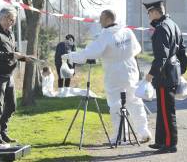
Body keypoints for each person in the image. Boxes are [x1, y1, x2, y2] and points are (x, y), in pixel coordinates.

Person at [62, 10, 151, 144]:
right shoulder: (127, 31)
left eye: (102, 18)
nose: (100, 21)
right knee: (134, 100)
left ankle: (120, 136)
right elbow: (137, 49)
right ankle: (144, 132)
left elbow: (89, 53)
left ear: (108, 19)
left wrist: (70, 56)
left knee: (115, 104)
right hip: (131, 69)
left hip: (114, 72)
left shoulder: (105, 36)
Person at [143, 0, 187, 153]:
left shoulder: (161, 28)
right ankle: (161, 140)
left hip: (164, 74)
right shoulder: (173, 24)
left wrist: (151, 74)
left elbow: (161, 56)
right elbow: (183, 50)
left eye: (149, 12)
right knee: (162, 109)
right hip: (172, 71)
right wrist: (181, 71)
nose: (148, 15)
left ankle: (170, 144)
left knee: (167, 111)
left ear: (155, 12)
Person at [0, 7, 30, 143]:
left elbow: (14, 52)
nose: (12, 23)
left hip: (8, 75)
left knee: (11, 106)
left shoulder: (10, 33)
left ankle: (3, 132)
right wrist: (12, 55)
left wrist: (25, 58)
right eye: (11, 20)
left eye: (14, 21)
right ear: (3, 18)